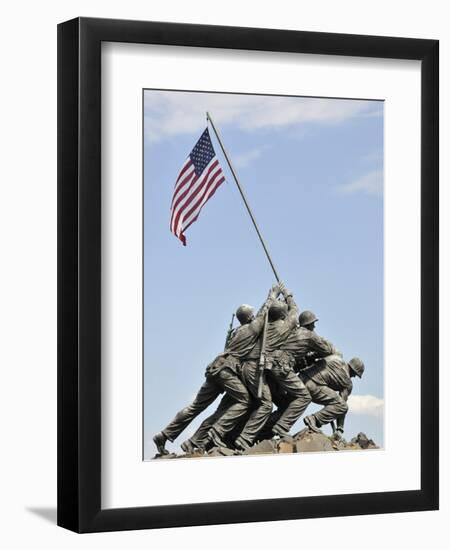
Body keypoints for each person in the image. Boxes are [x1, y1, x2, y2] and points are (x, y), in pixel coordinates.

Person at [153, 285, 280, 455]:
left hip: (216, 367)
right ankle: (215, 432)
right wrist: (272, 295)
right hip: (227, 370)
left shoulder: (236, 333)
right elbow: (263, 313)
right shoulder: (251, 329)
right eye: (252, 314)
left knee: (196, 407)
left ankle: (164, 435)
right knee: (244, 401)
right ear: (250, 317)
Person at [234, 284, 309, 449]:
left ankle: (261, 433)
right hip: (257, 368)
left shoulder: (261, 325)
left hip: (253, 368)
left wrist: (273, 296)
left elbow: (261, 312)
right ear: (283, 314)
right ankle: (246, 438)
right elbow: (295, 311)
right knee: (298, 397)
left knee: (278, 403)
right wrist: (288, 295)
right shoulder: (284, 326)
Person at [260, 310, 339, 437]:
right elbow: (327, 350)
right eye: (313, 323)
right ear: (310, 324)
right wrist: (321, 341)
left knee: (286, 404)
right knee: (304, 397)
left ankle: (263, 431)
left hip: (271, 366)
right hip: (282, 367)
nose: (314, 326)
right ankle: (281, 427)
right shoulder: (309, 335)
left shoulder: (294, 331)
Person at [300, 355, 365, 438]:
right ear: (353, 370)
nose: (354, 376)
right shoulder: (347, 382)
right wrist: (340, 428)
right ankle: (314, 419)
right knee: (342, 406)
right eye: (355, 374)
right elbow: (341, 405)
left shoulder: (336, 358)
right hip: (313, 386)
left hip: (300, 378)